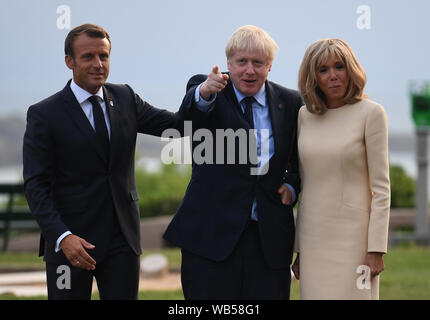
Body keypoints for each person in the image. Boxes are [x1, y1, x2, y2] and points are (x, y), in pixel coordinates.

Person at [23, 24, 184, 299]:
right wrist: (63, 237)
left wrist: (203, 94)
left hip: (123, 241)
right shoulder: (44, 114)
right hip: (70, 245)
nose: (98, 64)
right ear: (69, 62)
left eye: (104, 56)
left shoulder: (125, 98)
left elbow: (177, 126)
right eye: (88, 57)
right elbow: (36, 186)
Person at [163, 25, 302, 299]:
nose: (249, 70)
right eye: (242, 62)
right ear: (229, 63)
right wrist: (204, 93)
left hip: (268, 240)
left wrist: (292, 185)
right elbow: (189, 118)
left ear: (269, 66)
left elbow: (300, 159)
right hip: (209, 239)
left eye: (258, 63)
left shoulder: (291, 102)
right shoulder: (208, 90)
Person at [292, 38, 390, 299]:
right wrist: (299, 249)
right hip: (313, 241)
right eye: (323, 70)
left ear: (351, 70)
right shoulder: (304, 116)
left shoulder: (371, 113)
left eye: (339, 67)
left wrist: (376, 249)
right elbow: (305, 187)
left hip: (355, 242)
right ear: (313, 77)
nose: (333, 76)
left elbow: (381, 189)